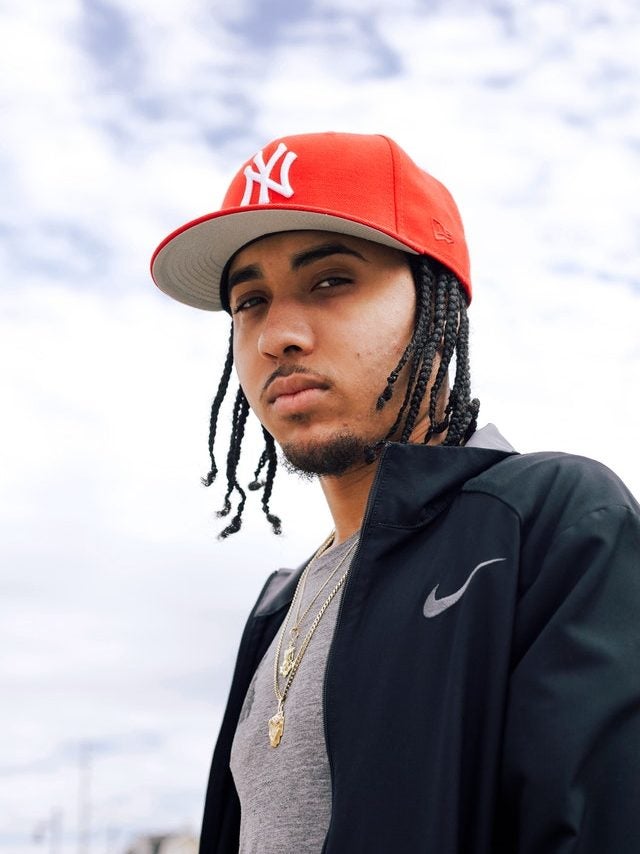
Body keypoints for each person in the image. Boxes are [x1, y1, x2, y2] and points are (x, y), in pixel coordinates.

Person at [150, 132, 640, 853]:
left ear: (438, 306)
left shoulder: (552, 521)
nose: (276, 335)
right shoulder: (278, 607)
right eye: (250, 301)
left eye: (330, 281)